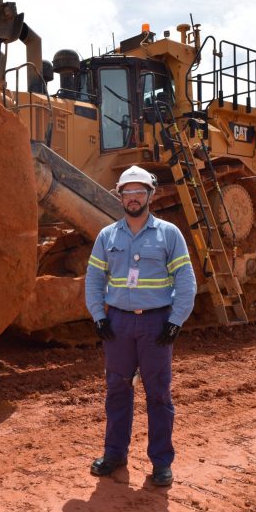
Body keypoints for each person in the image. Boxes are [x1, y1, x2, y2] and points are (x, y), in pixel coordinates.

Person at [84, 165, 197, 487]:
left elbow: (186, 281)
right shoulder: (107, 236)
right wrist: (99, 316)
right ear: (119, 196)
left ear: (151, 194)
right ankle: (114, 454)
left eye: (139, 192)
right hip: (118, 324)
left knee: (158, 395)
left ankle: (161, 462)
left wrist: (175, 322)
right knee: (117, 391)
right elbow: (94, 279)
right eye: (127, 193)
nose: (132, 198)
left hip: (155, 324)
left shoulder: (169, 234)